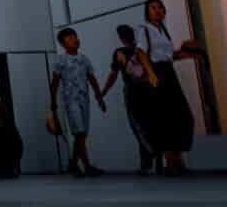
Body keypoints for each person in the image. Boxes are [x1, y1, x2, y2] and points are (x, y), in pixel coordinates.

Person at [141, 0, 203, 174]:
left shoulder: (163, 31)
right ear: (147, 12)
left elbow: (168, 56)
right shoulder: (144, 30)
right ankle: (171, 161)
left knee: (182, 116)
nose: (157, 10)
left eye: (160, 7)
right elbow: (141, 52)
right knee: (167, 116)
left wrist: (187, 54)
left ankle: (177, 159)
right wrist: (151, 74)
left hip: (168, 72)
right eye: (153, 8)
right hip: (157, 73)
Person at [99, 23, 159, 175]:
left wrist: (103, 91)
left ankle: (151, 156)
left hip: (132, 90)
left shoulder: (119, 52)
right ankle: (153, 161)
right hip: (149, 88)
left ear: (120, 38)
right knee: (151, 122)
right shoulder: (143, 49)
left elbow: (113, 75)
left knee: (137, 125)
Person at [49, 28, 106, 176]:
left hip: (84, 99)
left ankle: (73, 164)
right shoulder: (61, 60)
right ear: (63, 44)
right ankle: (87, 166)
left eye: (75, 36)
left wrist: (99, 96)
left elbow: (91, 78)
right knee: (79, 132)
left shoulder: (84, 59)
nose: (74, 39)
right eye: (69, 38)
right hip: (70, 99)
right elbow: (55, 81)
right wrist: (53, 101)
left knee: (81, 134)